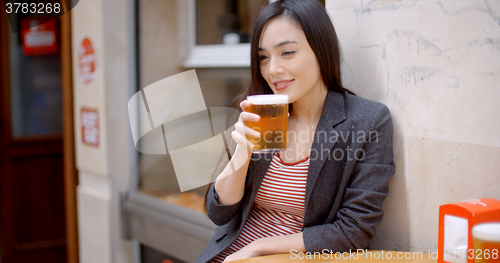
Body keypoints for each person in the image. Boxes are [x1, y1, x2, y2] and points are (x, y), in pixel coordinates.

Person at [196, 0, 395, 262]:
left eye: (287, 52)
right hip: (229, 255)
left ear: (321, 50)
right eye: (263, 57)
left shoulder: (367, 121)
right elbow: (219, 213)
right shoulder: (260, 110)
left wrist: (259, 247)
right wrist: (242, 152)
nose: (272, 69)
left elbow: (353, 231)